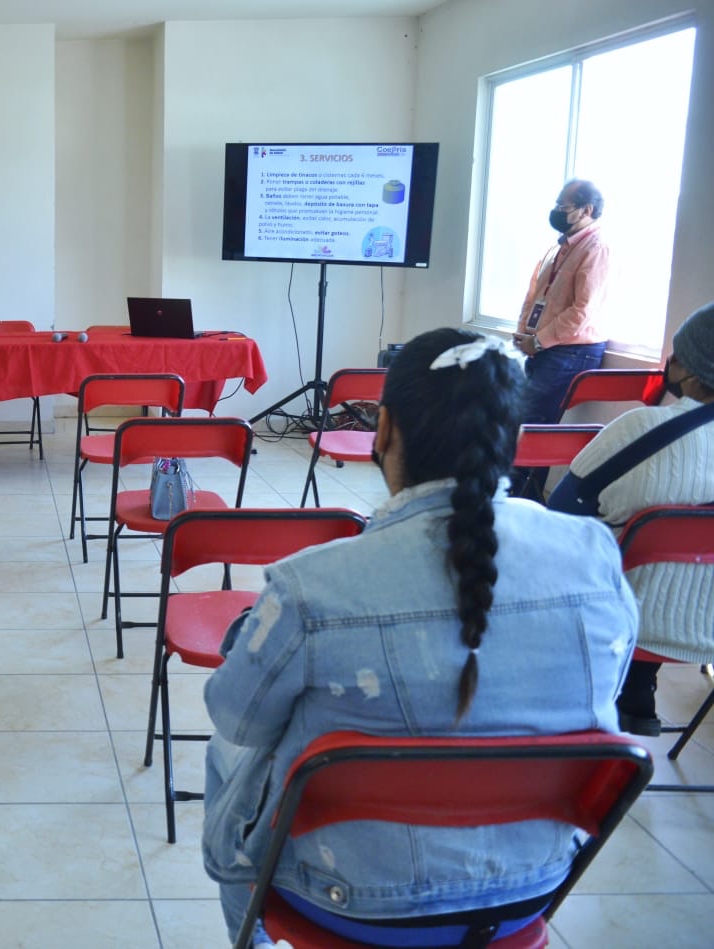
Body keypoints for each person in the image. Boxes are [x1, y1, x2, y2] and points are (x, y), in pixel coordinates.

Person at [202, 328, 637, 948]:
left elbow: (236, 715)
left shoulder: (312, 586)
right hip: (528, 891)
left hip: (348, 899)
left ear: (382, 431)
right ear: (512, 440)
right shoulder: (594, 554)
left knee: (229, 752)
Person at [548, 302, 714, 736]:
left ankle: (612, 691)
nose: (669, 362)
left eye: (678, 355)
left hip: (619, 624)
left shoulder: (639, 428)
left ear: (695, 374)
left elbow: (559, 519)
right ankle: (639, 688)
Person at [512, 179, 611, 425]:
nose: (556, 212)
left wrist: (537, 341)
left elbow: (582, 310)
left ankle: (522, 466)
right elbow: (534, 294)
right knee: (521, 421)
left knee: (528, 425)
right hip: (543, 348)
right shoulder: (558, 248)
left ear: (586, 210)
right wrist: (525, 332)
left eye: (563, 207)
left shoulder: (596, 248)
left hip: (570, 350)